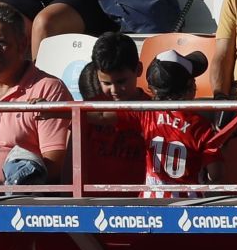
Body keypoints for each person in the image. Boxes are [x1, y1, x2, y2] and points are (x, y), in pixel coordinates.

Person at [86, 49, 222, 199]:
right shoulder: (201, 125)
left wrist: (63, 109)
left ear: (153, 90)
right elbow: (215, 173)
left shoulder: (146, 112)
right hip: (189, 203)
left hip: (150, 201)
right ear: (191, 85)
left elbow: (101, 116)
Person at [0, 2, 72, 186]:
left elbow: (55, 163)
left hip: (21, 201)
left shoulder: (48, 88)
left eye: (1, 43)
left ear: (23, 44)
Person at [73, 32, 147, 193]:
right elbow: (72, 158)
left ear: (138, 69)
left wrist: (54, 110)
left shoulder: (151, 109)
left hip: (139, 205)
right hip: (93, 200)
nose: (114, 90)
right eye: (106, 83)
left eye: (121, 81)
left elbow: (101, 117)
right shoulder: (89, 106)